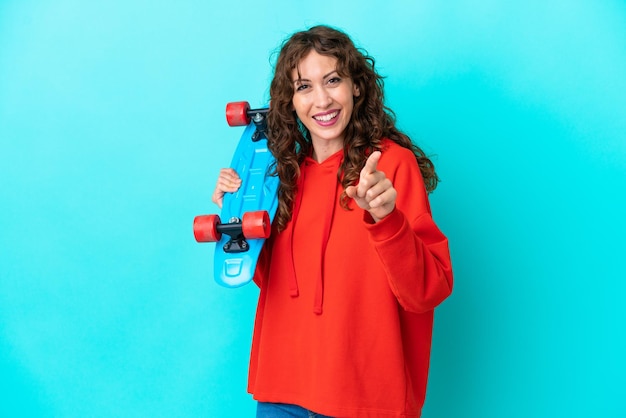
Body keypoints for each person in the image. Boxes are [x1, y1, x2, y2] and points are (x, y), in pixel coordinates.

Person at [213, 25, 453, 418]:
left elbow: (428, 290)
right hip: (281, 394)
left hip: (365, 400)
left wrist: (387, 218)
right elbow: (275, 283)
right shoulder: (280, 176)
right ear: (290, 101)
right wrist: (236, 213)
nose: (321, 99)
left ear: (356, 86)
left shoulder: (390, 166)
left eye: (332, 80)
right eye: (304, 86)